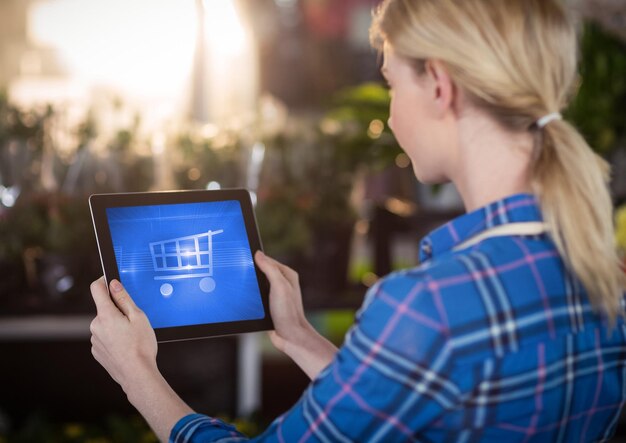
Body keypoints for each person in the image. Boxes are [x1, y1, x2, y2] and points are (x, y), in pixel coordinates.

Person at [89, 0, 626, 441]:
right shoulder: (603, 272)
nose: (390, 113)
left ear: (439, 84)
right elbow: (421, 405)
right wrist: (299, 335)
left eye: (392, 84)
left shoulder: (430, 307)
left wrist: (137, 373)